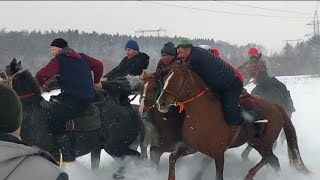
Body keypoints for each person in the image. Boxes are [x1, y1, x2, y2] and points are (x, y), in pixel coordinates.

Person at [176, 39, 266, 135]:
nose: (179, 56)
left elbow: (187, 71)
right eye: (178, 53)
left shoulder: (195, 58)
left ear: (188, 50)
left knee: (231, 118)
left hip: (232, 84)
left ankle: (256, 115)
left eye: (180, 53)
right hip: (219, 85)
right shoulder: (194, 55)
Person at [36, 38, 104, 162]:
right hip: (89, 96)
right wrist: (96, 81)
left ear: (60, 49)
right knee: (54, 99)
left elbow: (42, 75)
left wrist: (39, 85)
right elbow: (99, 65)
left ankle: (67, 155)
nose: (51, 51)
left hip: (74, 99)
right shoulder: (83, 57)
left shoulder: (60, 59)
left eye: (53, 48)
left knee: (55, 120)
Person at [0, 83, 68, 180]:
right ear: (17, 121)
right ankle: (66, 149)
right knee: (59, 119)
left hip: (69, 93)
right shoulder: (52, 174)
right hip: (76, 96)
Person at [248, 47, 296, 112]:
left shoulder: (261, 59)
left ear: (256, 54)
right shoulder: (254, 61)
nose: (251, 56)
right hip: (265, 80)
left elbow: (264, 68)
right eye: (250, 55)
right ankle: (289, 105)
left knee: (282, 87)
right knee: (282, 87)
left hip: (268, 78)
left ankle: (289, 105)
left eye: (252, 55)